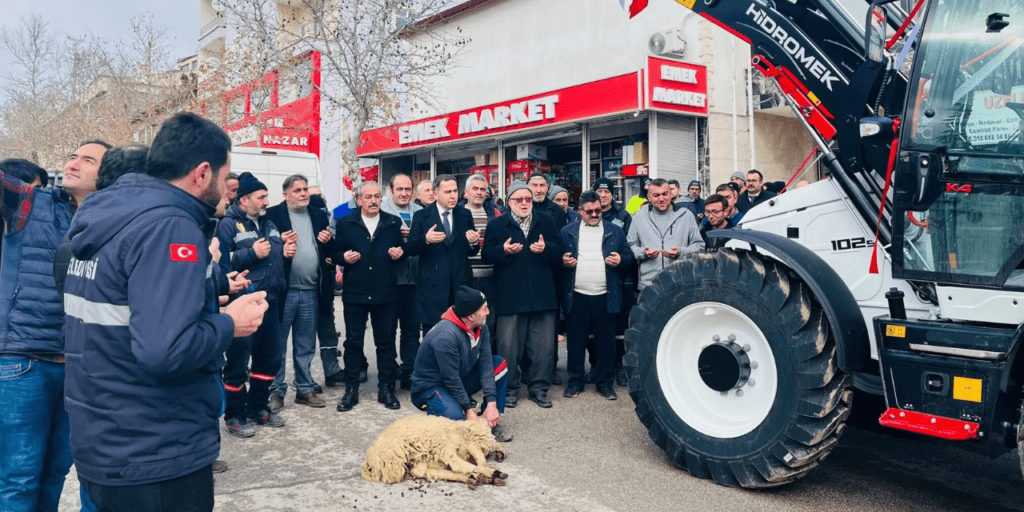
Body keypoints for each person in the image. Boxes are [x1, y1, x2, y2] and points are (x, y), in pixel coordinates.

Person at [62, 113, 268, 511]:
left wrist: (205, 291)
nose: (230, 187)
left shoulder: (110, 216)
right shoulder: (169, 225)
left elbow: (127, 305)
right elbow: (165, 350)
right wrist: (230, 324)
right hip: (154, 451)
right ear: (203, 173)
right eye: (227, 176)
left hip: (104, 441)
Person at [0, 141, 107, 512]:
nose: (74, 162)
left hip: (80, 365)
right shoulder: (31, 203)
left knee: (57, 470)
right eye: (74, 155)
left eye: (88, 159)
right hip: (24, 360)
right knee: (18, 475)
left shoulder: (112, 219)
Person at [217, 172, 293, 437]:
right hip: (243, 306)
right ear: (244, 199)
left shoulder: (269, 223)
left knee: (268, 359)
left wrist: (284, 252)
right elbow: (221, 265)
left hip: (270, 302)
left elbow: (273, 258)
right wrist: (251, 253)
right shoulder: (227, 225)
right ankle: (235, 415)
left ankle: (258, 408)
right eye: (261, 197)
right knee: (237, 364)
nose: (265, 201)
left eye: (265, 196)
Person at [482, 181, 562, 408]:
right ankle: (509, 389)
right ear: (509, 203)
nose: (525, 203)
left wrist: (546, 250)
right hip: (510, 296)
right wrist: (503, 251)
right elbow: (487, 254)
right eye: (519, 200)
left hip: (542, 295)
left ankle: (539, 389)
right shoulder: (497, 225)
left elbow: (560, 249)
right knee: (509, 348)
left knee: (544, 348)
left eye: (528, 199)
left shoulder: (545, 221)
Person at [333, 181, 406, 412]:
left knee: (385, 343)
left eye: (377, 196)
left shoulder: (392, 222)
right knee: (353, 342)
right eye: (368, 197)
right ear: (359, 199)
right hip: (356, 292)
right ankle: (351, 389)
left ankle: (386, 388)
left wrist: (399, 254)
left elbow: (402, 252)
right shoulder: (346, 223)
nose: (373, 200)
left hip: (385, 292)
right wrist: (344, 257)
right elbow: (335, 251)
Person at [266, 174, 337, 410]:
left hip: (310, 291)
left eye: (305, 189)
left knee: (306, 344)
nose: (303, 194)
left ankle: (304, 389)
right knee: (277, 343)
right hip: (284, 292)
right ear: (285, 194)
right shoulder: (273, 215)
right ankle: (275, 391)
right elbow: (263, 246)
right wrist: (279, 243)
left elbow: (329, 249)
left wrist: (327, 241)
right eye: (297, 190)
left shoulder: (318, 214)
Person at [409, 285, 512, 442]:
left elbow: (485, 364)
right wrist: (468, 410)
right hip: (430, 387)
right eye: (484, 309)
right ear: (471, 316)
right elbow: (451, 378)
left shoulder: (480, 326)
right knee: (456, 416)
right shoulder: (446, 335)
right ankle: (438, 414)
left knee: (499, 364)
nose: (488, 312)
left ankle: (489, 421)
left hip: (458, 379)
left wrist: (492, 403)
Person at [559, 191, 634, 401]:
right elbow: (556, 257)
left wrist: (621, 259)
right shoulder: (567, 231)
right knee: (575, 342)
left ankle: (605, 383)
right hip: (577, 294)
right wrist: (563, 261)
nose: (594, 214)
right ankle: (575, 381)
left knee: (606, 343)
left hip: (606, 294)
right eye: (589, 211)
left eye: (598, 210)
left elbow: (629, 257)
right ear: (580, 211)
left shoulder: (615, 231)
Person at [406, 175, 478, 334]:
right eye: (447, 192)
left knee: (462, 334)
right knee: (434, 335)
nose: (453, 195)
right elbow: (410, 248)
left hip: (460, 284)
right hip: (433, 287)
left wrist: (473, 242)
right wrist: (425, 240)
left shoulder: (464, 214)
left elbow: (471, 251)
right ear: (435, 194)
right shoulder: (422, 216)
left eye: (455, 191)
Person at [381, 173, 423, 390]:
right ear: (391, 190)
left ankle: (409, 371)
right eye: (400, 189)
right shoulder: (381, 212)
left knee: (411, 330)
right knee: (387, 330)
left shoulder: (420, 212)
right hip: (390, 281)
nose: (404, 193)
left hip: (415, 281)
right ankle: (388, 373)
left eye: (408, 189)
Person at [626, 178, 704, 290]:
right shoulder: (639, 217)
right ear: (649, 197)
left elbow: (699, 246)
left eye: (665, 194)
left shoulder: (686, 216)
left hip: (680, 282)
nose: (661, 199)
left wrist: (681, 252)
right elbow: (630, 247)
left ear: (671, 194)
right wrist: (643, 253)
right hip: (649, 284)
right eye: (656, 195)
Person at [458, 174, 503, 347]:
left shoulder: (496, 214)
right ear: (466, 192)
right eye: (475, 189)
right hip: (466, 277)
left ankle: (488, 362)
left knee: (489, 322)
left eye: (482, 189)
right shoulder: (457, 214)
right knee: (466, 322)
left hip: (491, 276)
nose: (479, 192)